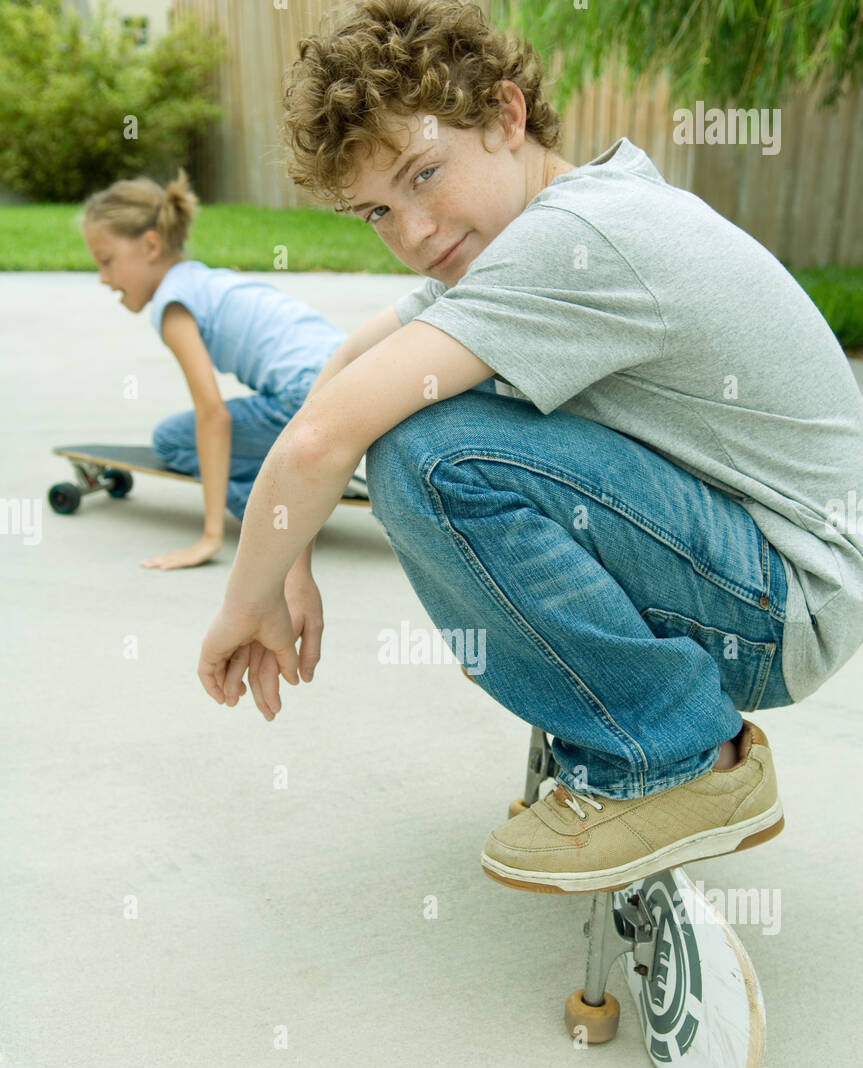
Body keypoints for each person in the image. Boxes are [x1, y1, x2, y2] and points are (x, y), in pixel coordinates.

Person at [196, 0, 863, 896]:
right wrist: (291, 560)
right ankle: (638, 725)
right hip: (769, 574)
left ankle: (678, 761)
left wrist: (246, 601)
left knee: (430, 453)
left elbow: (325, 436)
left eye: (424, 174)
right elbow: (350, 362)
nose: (415, 234)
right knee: (420, 418)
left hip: (788, 604)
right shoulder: (553, 214)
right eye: (376, 213)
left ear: (507, 117)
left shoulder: (572, 244)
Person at [79, 169, 359, 571]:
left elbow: (213, 414)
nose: (103, 279)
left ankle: (287, 509)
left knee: (171, 441)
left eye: (106, 262)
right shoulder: (200, 280)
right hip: (345, 375)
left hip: (308, 398)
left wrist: (210, 537)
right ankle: (306, 478)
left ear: (151, 245)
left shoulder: (172, 304)